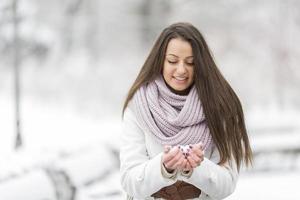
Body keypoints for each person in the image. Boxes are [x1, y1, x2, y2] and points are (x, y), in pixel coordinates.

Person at [119, 22, 252, 200]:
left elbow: (227, 183)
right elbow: (129, 180)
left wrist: (196, 167)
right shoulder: (139, 107)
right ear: (160, 61)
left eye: (191, 63)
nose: (181, 70)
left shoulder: (221, 107)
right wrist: (163, 167)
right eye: (172, 61)